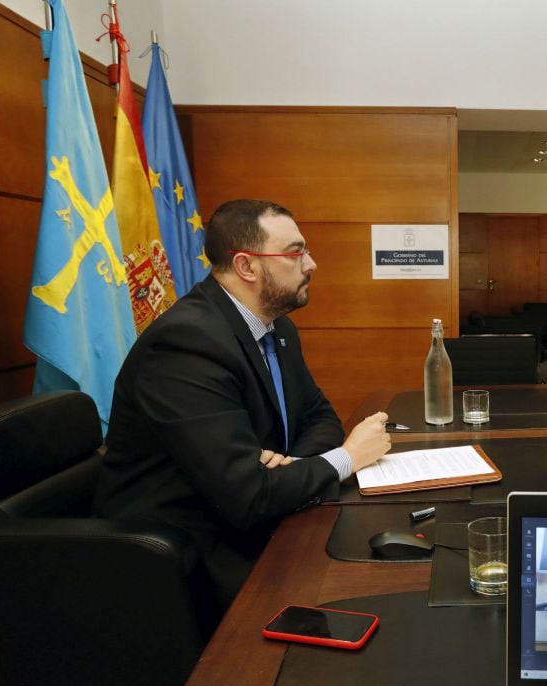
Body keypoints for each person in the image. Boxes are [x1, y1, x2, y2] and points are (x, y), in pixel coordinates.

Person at [94, 199, 393, 614]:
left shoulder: (277, 327)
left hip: (260, 521)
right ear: (247, 267)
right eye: (295, 252)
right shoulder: (185, 344)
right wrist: (347, 458)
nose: (311, 264)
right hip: (188, 558)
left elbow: (318, 416)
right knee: (358, 600)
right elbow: (249, 495)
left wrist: (288, 468)